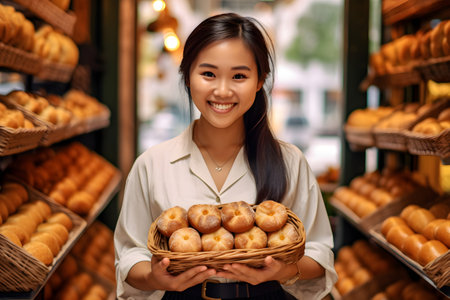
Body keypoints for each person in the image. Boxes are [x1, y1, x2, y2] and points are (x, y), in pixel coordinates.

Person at [114, 12, 337, 300]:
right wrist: (154, 277)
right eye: (208, 74)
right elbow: (130, 254)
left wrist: (282, 271)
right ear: (187, 76)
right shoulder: (152, 164)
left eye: (239, 76)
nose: (222, 90)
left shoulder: (290, 162)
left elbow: (319, 253)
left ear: (260, 81)